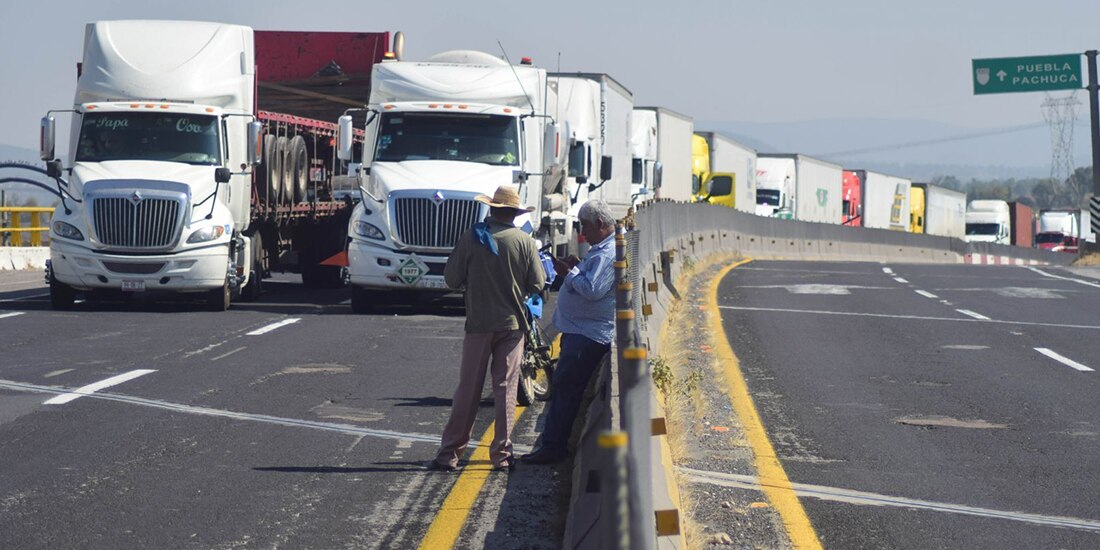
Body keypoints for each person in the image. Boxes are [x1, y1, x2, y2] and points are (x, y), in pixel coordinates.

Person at [430, 185, 547, 472]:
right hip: (512, 326)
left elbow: (451, 280)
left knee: (468, 389)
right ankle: (502, 456)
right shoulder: (524, 241)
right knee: (505, 389)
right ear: (515, 214)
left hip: (479, 324)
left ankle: (450, 454)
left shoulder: (472, 237)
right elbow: (538, 284)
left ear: (492, 210)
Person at [521, 200, 616, 465]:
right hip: (582, 330)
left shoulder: (607, 254)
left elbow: (593, 290)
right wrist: (577, 266)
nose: (583, 234)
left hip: (588, 334)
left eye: (585, 227)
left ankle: (554, 447)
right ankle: (555, 443)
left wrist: (569, 272)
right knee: (564, 386)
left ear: (599, 224)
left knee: (565, 387)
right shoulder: (602, 248)